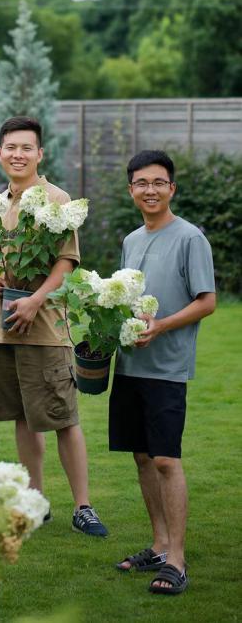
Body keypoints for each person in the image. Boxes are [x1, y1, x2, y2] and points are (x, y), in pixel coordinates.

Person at [0, 115, 107, 537]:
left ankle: (83, 506)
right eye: (10, 147)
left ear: (39, 153)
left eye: (26, 147)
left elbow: (66, 262)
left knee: (62, 416)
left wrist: (35, 300)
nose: (18, 154)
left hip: (46, 327)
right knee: (22, 417)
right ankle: (36, 501)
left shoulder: (56, 198)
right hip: (2, 328)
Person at [110, 149, 216, 595]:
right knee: (141, 456)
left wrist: (163, 326)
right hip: (130, 364)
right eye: (141, 183)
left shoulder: (191, 238)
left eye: (158, 182)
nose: (149, 190)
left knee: (167, 459)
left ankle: (177, 559)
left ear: (171, 188)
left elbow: (206, 301)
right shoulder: (132, 240)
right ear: (131, 189)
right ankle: (158, 543)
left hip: (167, 368)